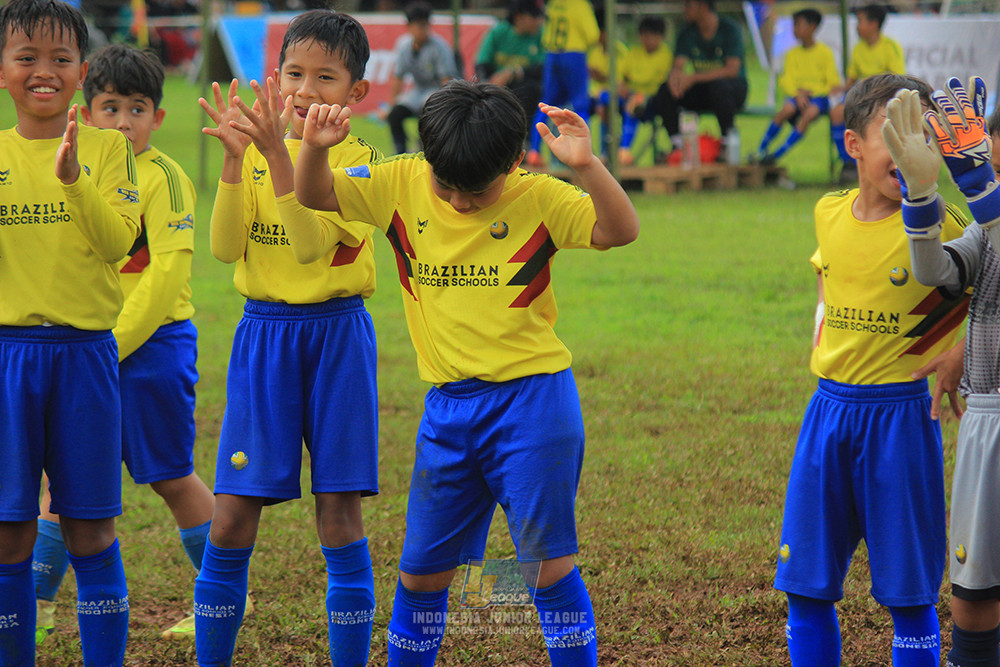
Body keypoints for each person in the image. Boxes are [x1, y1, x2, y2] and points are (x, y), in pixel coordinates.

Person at [294, 80, 639, 666]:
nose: (457, 202)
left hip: (534, 407)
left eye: (475, 191)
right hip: (447, 414)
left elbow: (620, 229)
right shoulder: (400, 182)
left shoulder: (540, 197)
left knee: (545, 568)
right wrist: (314, 148)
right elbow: (314, 194)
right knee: (420, 576)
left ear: (514, 161)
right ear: (427, 158)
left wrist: (587, 166)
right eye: (445, 185)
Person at [195, 9, 381, 666]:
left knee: (339, 514)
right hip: (264, 339)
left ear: (357, 92)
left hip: (337, 340)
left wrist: (280, 153)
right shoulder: (255, 149)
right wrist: (233, 159)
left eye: (325, 77)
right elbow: (222, 250)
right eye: (293, 73)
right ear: (274, 76)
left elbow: (307, 248)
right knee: (232, 515)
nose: (305, 89)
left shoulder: (359, 163)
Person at [774, 73, 970, 667]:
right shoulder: (827, 213)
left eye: (925, 136)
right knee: (804, 587)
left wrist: (959, 352)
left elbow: (987, 293)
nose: (914, 149)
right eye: (896, 133)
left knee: (910, 596)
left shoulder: (946, 228)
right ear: (852, 144)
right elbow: (827, 275)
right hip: (827, 413)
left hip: (902, 418)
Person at [28, 43, 216, 645]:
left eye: (137, 109)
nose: (122, 122)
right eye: (110, 107)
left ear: (158, 118)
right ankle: (36, 606)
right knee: (63, 481)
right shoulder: (71, 170)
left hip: (151, 347)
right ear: (86, 110)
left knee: (169, 476)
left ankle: (219, 595)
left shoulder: (165, 178)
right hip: (84, 345)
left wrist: (109, 346)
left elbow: (164, 279)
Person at [0, 0, 141, 664]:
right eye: (26, 57)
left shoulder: (109, 147)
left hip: (85, 356)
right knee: (8, 534)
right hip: (9, 358)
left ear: (82, 70)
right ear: (3, 70)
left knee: (89, 530)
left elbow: (119, 242)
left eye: (60, 59)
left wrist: (74, 180)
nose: (43, 72)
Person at [881, 76, 1000, 667]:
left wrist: (982, 189)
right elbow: (933, 271)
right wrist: (923, 196)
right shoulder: (985, 224)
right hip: (987, 418)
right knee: (973, 595)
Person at [652, 0, 747, 161]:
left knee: (719, 87)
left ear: (703, 6)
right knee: (665, 91)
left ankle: (726, 143)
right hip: (703, 90)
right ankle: (678, 144)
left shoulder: (730, 30)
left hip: (732, 90)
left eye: (689, 5)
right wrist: (675, 79)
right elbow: (678, 65)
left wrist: (694, 77)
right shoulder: (687, 33)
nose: (685, 9)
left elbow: (732, 70)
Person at [752, 8, 839, 165]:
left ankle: (777, 155)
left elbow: (831, 82)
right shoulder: (792, 54)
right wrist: (797, 94)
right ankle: (761, 149)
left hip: (818, 98)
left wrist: (811, 92)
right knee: (786, 110)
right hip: (796, 96)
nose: (795, 30)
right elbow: (787, 79)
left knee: (809, 115)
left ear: (812, 27)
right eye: (794, 25)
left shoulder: (825, 53)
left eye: (798, 25)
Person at [829, 3, 904, 182]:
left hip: (882, 94)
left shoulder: (890, 46)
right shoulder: (858, 48)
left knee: (874, 121)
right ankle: (848, 162)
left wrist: (872, 83)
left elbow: (896, 77)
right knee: (837, 113)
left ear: (874, 24)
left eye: (860, 21)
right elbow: (853, 77)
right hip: (861, 93)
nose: (857, 26)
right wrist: (842, 87)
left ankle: (880, 164)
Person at [525, 0, 599, 166]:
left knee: (547, 104)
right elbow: (592, 34)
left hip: (553, 56)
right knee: (580, 104)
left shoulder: (553, 4)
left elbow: (544, 35)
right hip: (574, 54)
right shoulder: (580, 5)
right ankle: (583, 153)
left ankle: (534, 151)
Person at [384, 1, 459, 155]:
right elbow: (398, 77)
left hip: (437, 91)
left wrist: (444, 106)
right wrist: (392, 104)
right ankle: (400, 151)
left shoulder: (440, 47)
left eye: (426, 25)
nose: (423, 30)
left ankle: (423, 148)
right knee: (395, 115)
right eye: (419, 25)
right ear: (409, 26)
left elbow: (446, 81)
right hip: (417, 91)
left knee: (427, 109)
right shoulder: (403, 45)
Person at [474, 0, 546, 136]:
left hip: (526, 92)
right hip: (497, 87)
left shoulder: (540, 35)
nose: (539, 21)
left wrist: (514, 73)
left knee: (530, 90)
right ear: (519, 17)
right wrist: (488, 83)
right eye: (534, 17)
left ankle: (524, 139)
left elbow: (543, 68)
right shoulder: (498, 32)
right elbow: (482, 62)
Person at [616, 16, 672, 166]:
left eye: (650, 36)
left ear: (660, 36)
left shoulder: (665, 55)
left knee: (634, 105)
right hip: (630, 95)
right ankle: (604, 153)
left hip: (653, 100)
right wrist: (622, 86)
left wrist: (634, 92)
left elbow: (655, 83)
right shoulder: (634, 52)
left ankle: (624, 150)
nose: (646, 40)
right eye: (643, 36)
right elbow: (623, 76)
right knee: (604, 102)